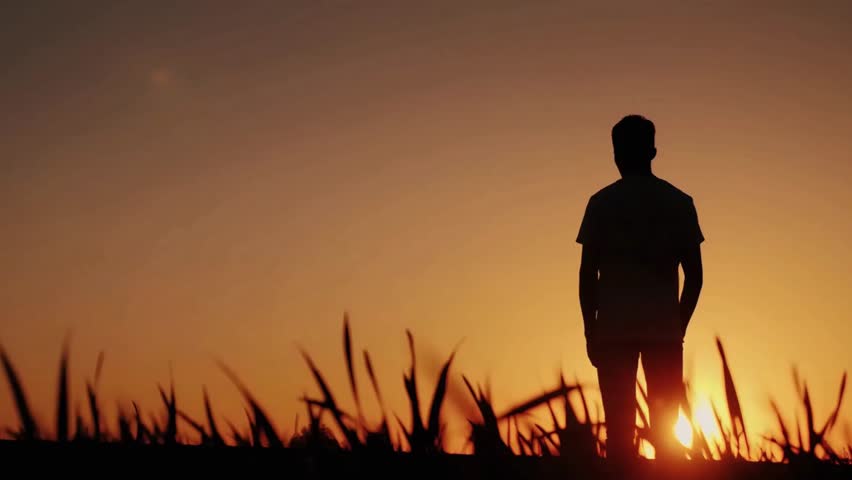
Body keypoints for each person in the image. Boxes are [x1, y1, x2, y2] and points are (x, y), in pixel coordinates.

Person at [576, 114, 704, 462]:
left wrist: (592, 329)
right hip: (663, 332)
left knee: (618, 432)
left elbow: (588, 275)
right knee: (666, 434)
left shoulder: (601, 203)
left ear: (618, 154)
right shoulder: (679, 203)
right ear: (652, 151)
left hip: (614, 332)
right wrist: (678, 324)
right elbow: (695, 275)